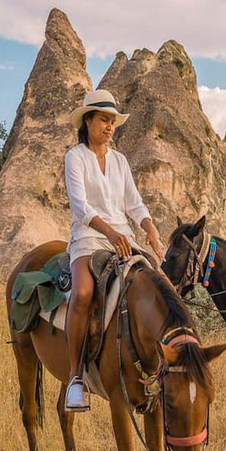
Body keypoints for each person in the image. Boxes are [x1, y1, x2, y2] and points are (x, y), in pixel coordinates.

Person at [63, 89, 165, 412]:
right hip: (88, 238)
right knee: (81, 293)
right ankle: (76, 378)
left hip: (123, 239)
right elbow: (80, 206)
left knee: (161, 285)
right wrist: (109, 231)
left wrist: (149, 228)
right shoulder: (75, 157)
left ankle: (162, 366)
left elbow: (134, 203)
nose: (110, 126)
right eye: (104, 120)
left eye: (113, 122)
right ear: (88, 121)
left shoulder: (120, 161)